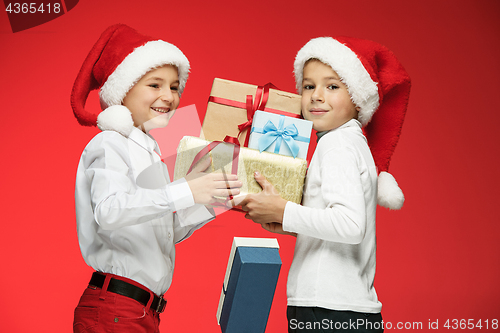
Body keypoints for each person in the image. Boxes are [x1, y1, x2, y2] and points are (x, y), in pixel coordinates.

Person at [71, 24, 241, 333]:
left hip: (141, 311)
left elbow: (164, 231)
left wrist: (215, 196)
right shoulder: (110, 142)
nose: (169, 96)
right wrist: (187, 190)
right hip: (115, 309)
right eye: (155, 85)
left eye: (175, 87)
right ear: (122, 89)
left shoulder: (151, 150)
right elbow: (109, 211)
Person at [238, 37, 411, 332]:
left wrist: (285, 211)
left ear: (357, 96)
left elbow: (350, 225)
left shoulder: (338, 146)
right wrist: (289, 224)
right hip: (343, 306)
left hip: (328, 310)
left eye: (332, 86)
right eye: (309, 86)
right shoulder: (345, 142)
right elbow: (337, 222)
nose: (317, 96)